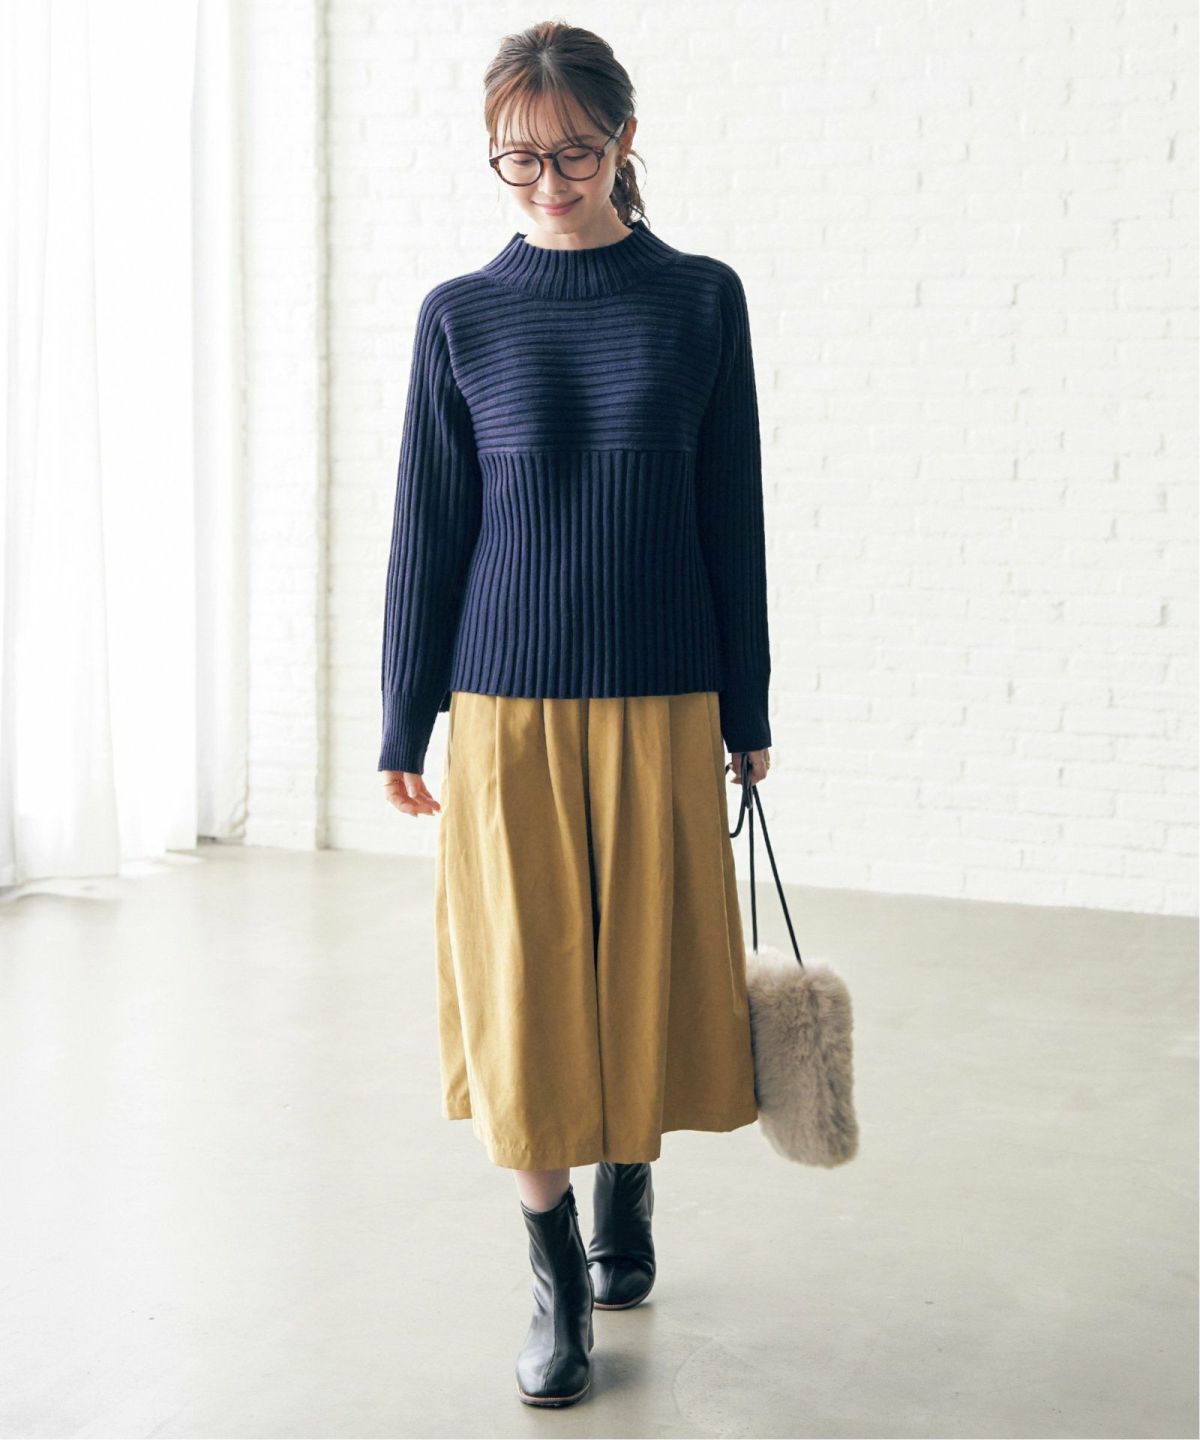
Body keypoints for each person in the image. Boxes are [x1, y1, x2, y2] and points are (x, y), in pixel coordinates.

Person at [377, 20, 773, 1409]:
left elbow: (731, 517)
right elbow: (429, 531)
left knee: (645, 960)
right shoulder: (459, 316)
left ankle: (629, 1181)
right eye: (519, 158)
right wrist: (402, 717)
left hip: (665, 690)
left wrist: (749, 704)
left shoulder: (701, 300)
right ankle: (554, 1268)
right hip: (504, 698)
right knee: (527, 985)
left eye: (577, 154)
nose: (549, 182)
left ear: (625, 142)